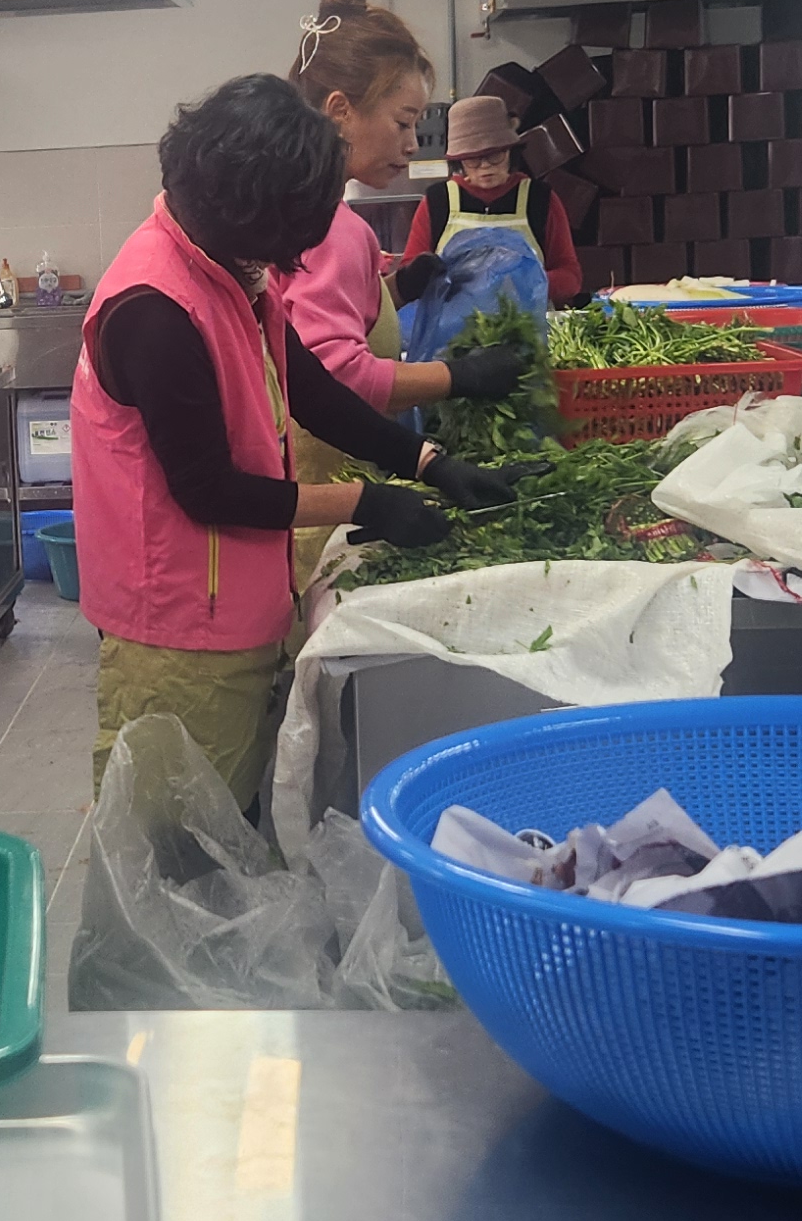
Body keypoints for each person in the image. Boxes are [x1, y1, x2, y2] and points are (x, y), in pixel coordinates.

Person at [75, 75, 523, 805]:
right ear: (242, 209)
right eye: (282, 242)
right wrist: (367, 503)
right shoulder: (154, 312)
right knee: (177, 844)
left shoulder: (229, 269)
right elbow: (208, 491)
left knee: (234, 819)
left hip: (240, 605)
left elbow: (311, 390)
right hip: (177, 636)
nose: (286, 262)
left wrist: (428, 462)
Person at [271, 0, 527, 420]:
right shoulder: (329, 227)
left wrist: (399, 289)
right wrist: (459, 377)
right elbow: (335, 374)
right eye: (403, 122)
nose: (412, 145)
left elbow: (329, 316)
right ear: (340, 111)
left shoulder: (295, 207)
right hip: (328, 456)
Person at [403, 90, 584, 300]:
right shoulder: (437, 202)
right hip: (453, 319)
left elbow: (571, 277)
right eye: (473, 159)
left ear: (510, 152)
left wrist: (526, 282)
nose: (485, 166)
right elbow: (410, 272)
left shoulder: (540, 199)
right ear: (459, 160)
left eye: (495, 155)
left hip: (526, 318)